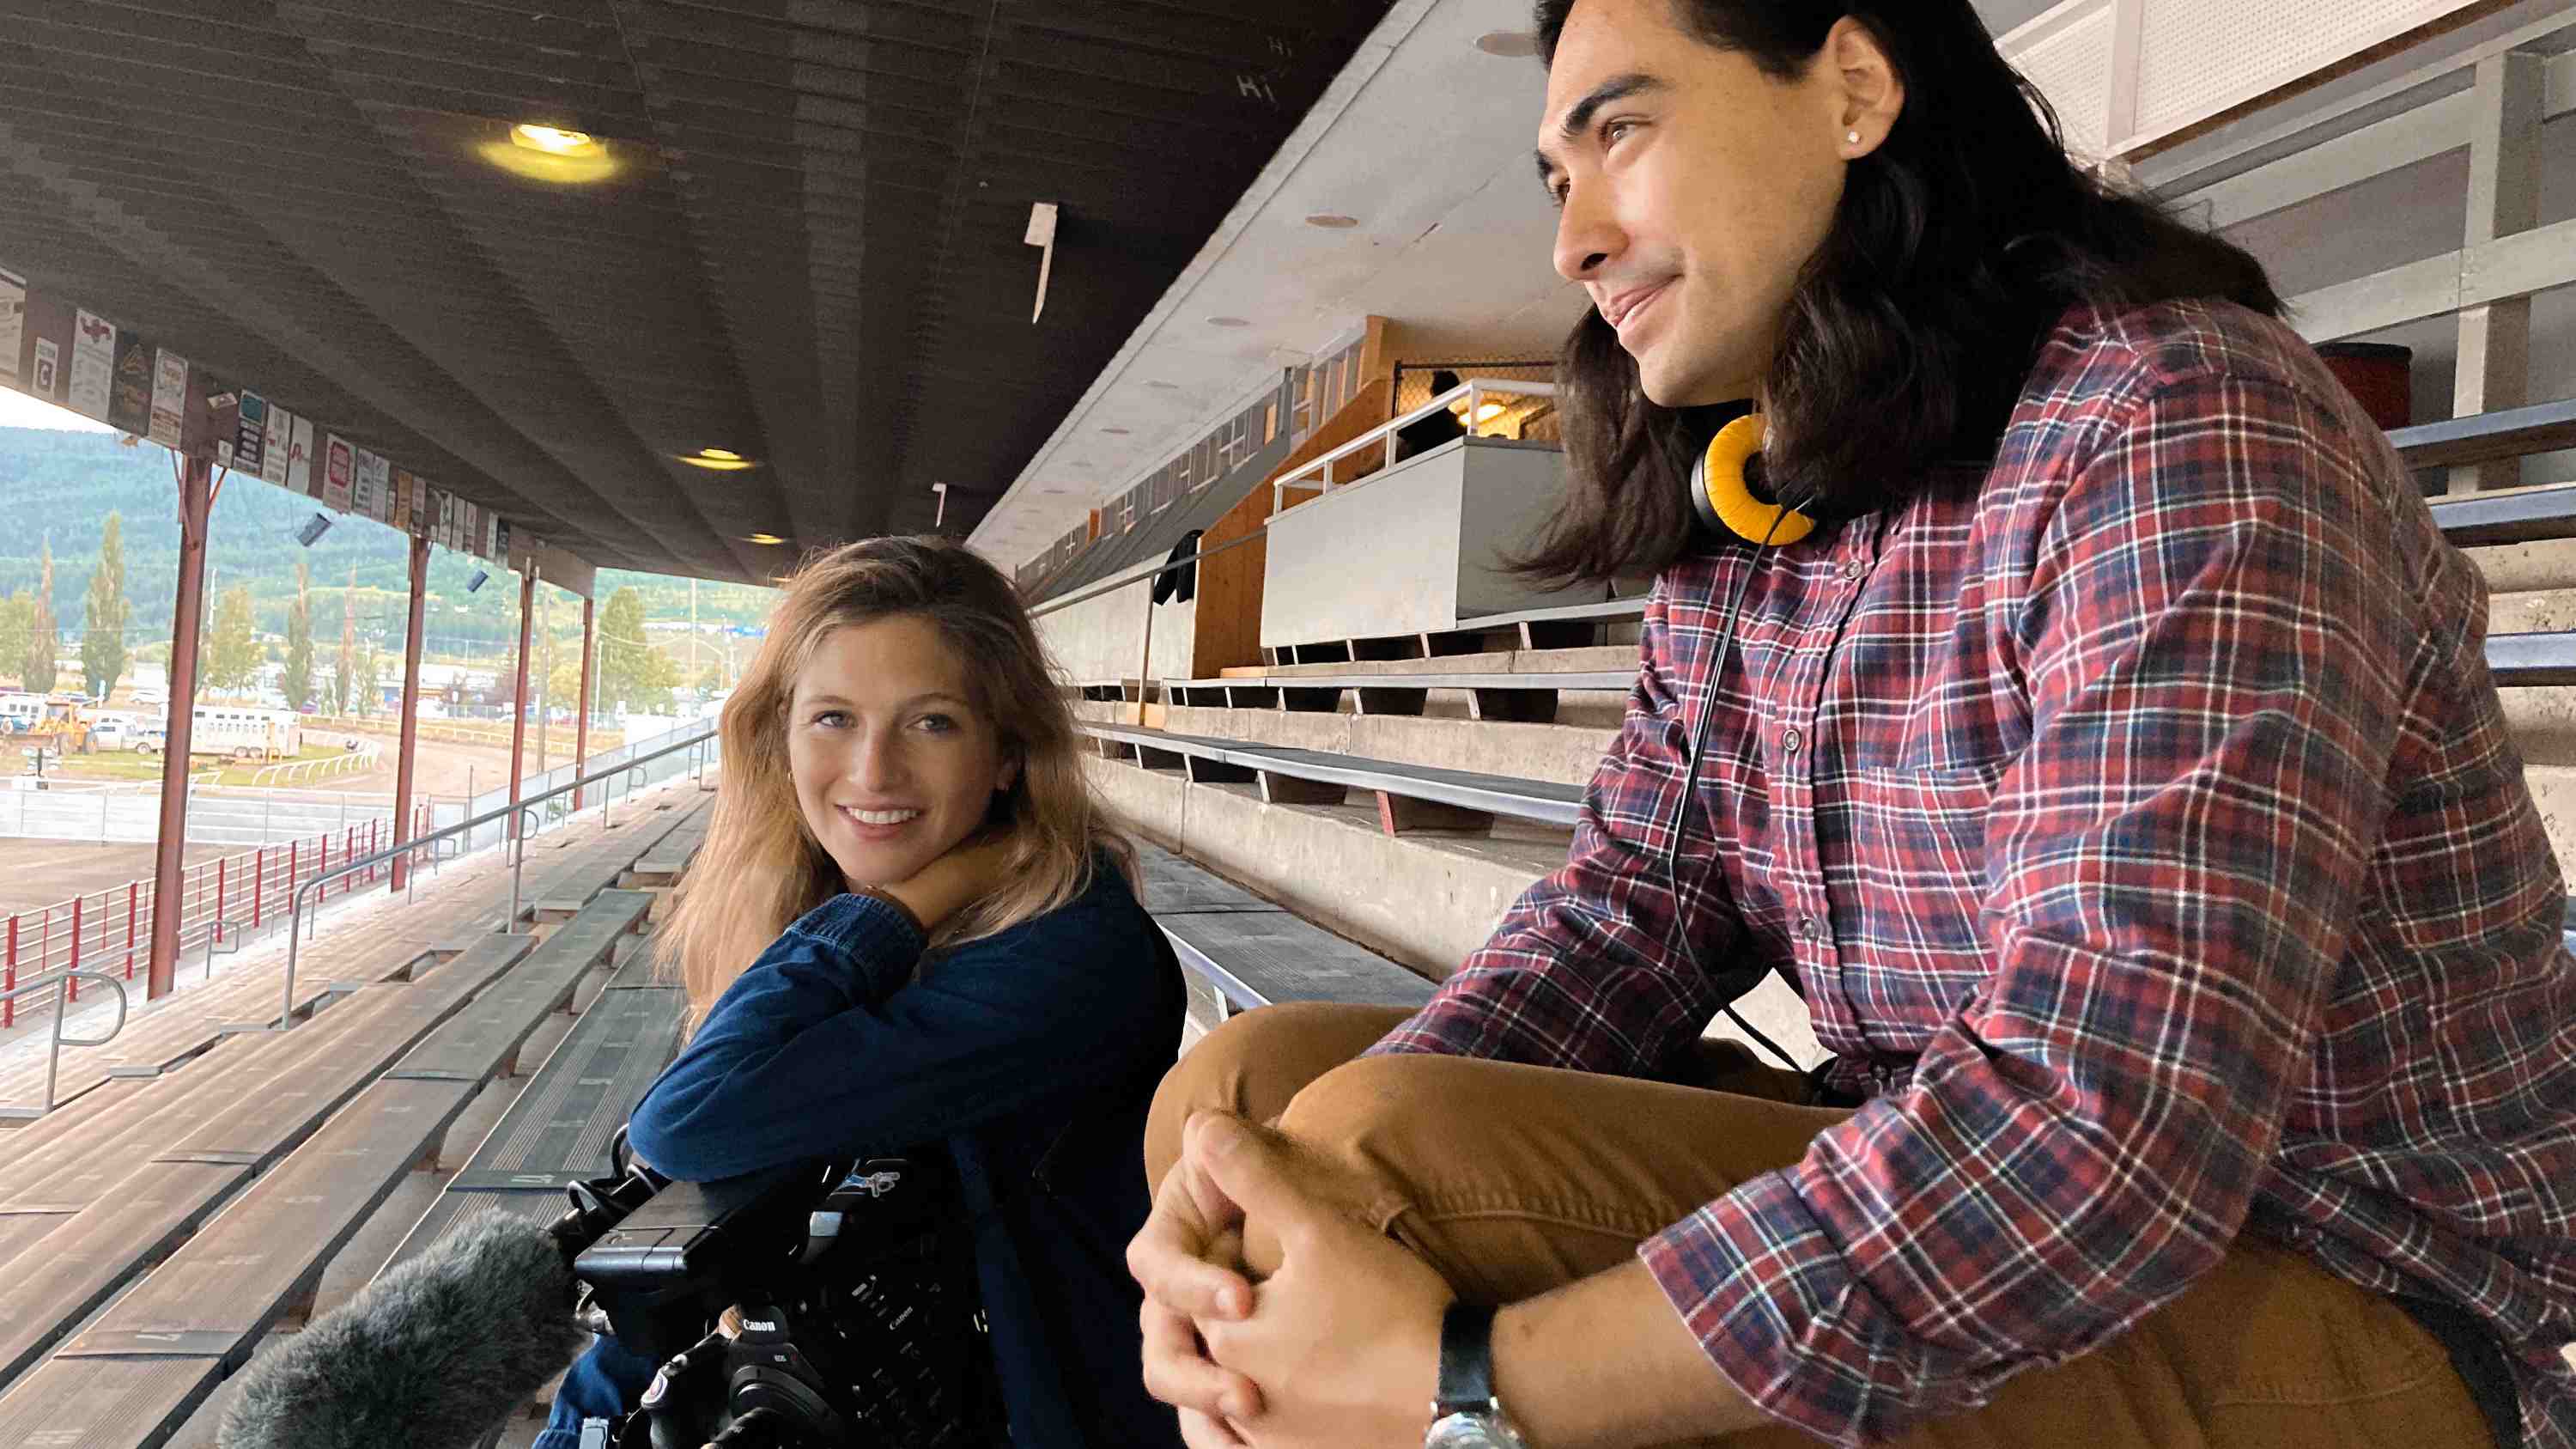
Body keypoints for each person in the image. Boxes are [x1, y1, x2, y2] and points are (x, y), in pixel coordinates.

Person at [1128, 3, 2576, 1448]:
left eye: (1622, 130)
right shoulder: (1764, 503)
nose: (1573, 242)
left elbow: (2104, 1126)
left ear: (1855, 89)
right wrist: (1247, 1190)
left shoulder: (2175, 421)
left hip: (2354, 1300)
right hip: (2016, 1219)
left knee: (1389, 1156)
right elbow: (1627, 917)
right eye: (1558, 178)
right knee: (1256, 1097)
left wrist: (1466, 1385)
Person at [539, 536, 1187, 1449]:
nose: (874, 771)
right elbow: (699, 1234)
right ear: (781, 735)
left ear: (1008, 754)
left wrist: (896, 907)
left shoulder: (1071, 952)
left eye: (932, 723)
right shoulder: (821, 908)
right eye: (835, 718)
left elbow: (690, 1121)